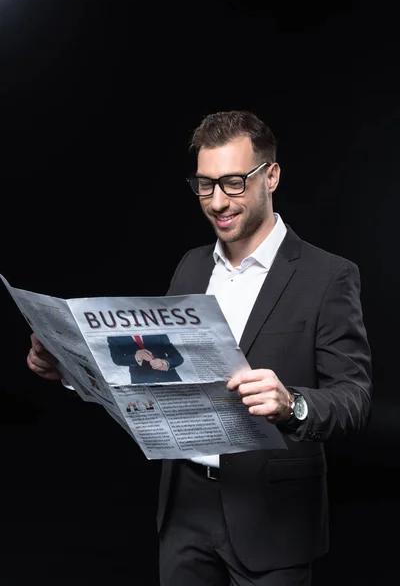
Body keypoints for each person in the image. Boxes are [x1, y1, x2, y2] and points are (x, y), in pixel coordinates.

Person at [26, 110, 373, 586]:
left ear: (270, 176)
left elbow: (354, 397)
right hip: (184, 508)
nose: (217, 202)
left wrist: (292, 405)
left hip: (271, 516)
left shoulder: (328, 276)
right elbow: (154, 378)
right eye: (205, 185)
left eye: (233, 182)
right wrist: (67, 369)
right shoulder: (190, 267)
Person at [107, 333, 184, 384]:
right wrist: (135, 358)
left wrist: (165, 362)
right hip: (141, 380)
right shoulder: (114, 336)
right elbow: (117, 359)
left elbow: (178, 357)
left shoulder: (156, 330)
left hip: (170, 378)